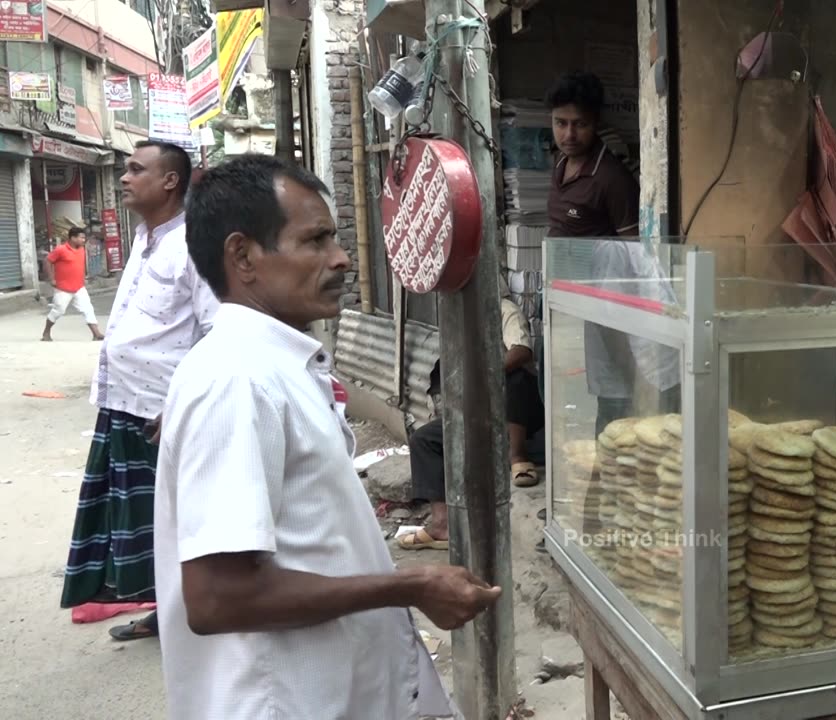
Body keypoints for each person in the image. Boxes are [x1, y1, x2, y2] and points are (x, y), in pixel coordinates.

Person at [156, 153, 499, 719]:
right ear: (243, 256)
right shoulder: (236, 379)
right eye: (315, 241)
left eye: (335, 239)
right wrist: (408, 588)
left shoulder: (279, 366)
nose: (341, 259)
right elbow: (219, 596)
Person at [59, 141, 218, 642]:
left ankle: (197, 618)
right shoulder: (145, 240)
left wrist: (184, 404)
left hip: (162, 414)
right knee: (143, 525)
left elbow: (217, 330)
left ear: (170, 181)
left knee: (176, 525)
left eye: (135, 170)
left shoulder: (196, 244)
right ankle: (164, 614)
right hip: (124, 405)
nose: (124, 178)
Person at [545, 70, 680, 435]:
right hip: (577, 310)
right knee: (600, 410)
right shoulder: (559, 166)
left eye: (580, 125)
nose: (569, 135)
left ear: (596, 124)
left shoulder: (611, 179)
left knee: (620, 417)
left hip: (613, 315)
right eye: (561, 123)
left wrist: (635, 372)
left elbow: (630, 269)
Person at [400, 286, 545, 549]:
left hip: (520, 411)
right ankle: (442, 524)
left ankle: (518, 457)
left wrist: (484, 376)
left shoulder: (503, 310)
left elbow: (522, 351)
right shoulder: (459, 320)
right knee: (423, 440)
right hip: (479, 412)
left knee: (516, 380)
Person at [41, 226, 104, 341]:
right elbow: (47, 261)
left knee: (88, 309)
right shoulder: (61, 249)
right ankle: (46, 332)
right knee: (58, 310)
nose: (83, 240)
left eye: (84, 238)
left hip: (79, 287)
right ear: (72, 238)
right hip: (63, 288)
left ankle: (96, 333)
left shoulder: (81, 249)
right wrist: (51, 279)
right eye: (81, 238)